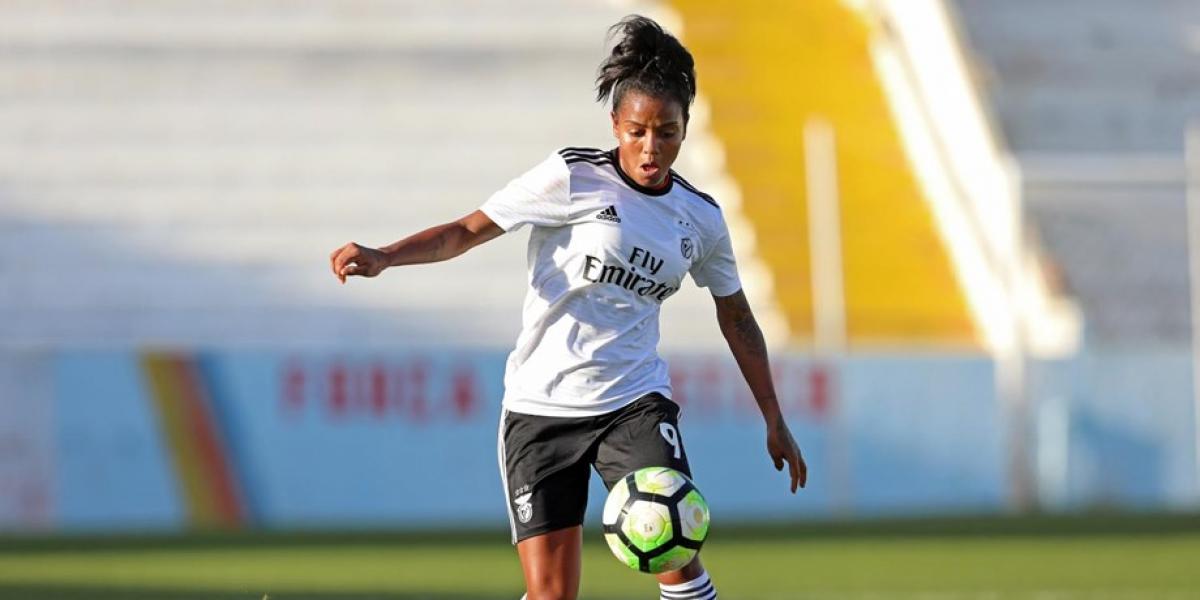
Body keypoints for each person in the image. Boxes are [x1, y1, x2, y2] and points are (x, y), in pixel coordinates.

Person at [328, 15, 806, 600]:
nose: (651, 148)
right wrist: (385, 256)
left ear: (685, 130)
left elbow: (737, 318)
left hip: (633, 402)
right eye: (637, 131)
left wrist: (773, 416)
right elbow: (465, 231)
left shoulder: (700, 218)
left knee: (675, 549)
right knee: (553, 594)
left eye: (667, 132)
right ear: (615, 124)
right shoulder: (573, 177)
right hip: (538, 408)